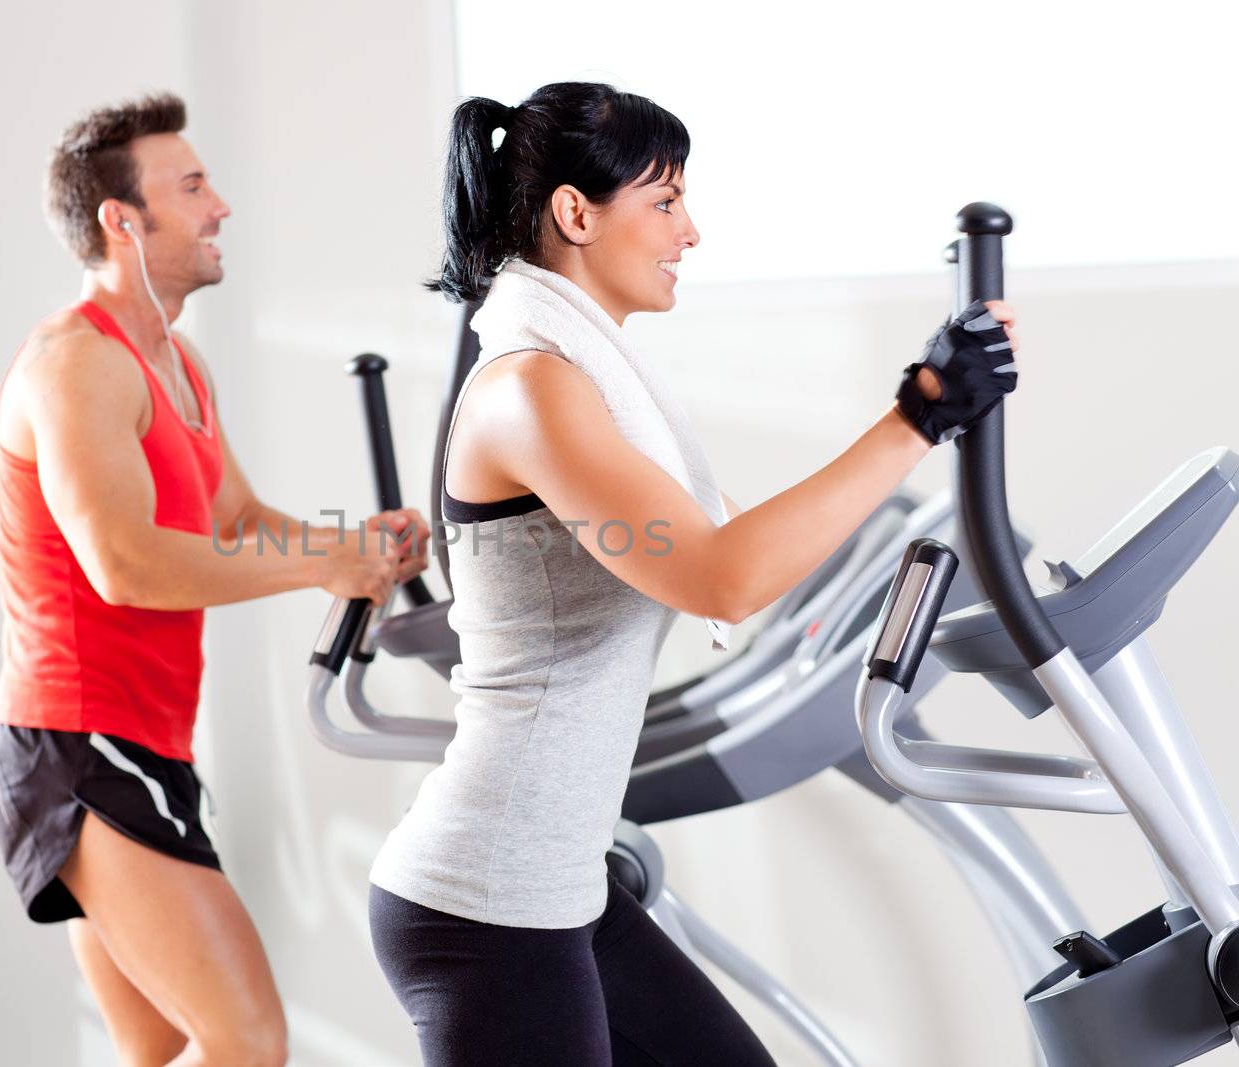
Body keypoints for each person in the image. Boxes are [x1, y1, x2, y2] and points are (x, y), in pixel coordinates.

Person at [367, 81, 1019, 1066]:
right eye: (664, 202)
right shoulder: (531, 389)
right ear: (575, 213)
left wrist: (922, 417)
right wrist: (918, 415)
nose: (691, 232)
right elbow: (718, 575)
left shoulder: (571, 376)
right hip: (486, 909)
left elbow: (726, 552)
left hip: (562, 887)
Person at [0, 92, 428, 1067]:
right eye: (190, 187)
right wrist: (322, 562)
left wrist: (359, 545)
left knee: (158, 1044)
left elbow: (239, 522)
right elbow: (125, 563)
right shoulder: (77, 362)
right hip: (76, 739)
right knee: (247, 1038)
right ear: (121, 220)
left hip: (137, 737)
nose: (220, 206)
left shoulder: (176, 362)